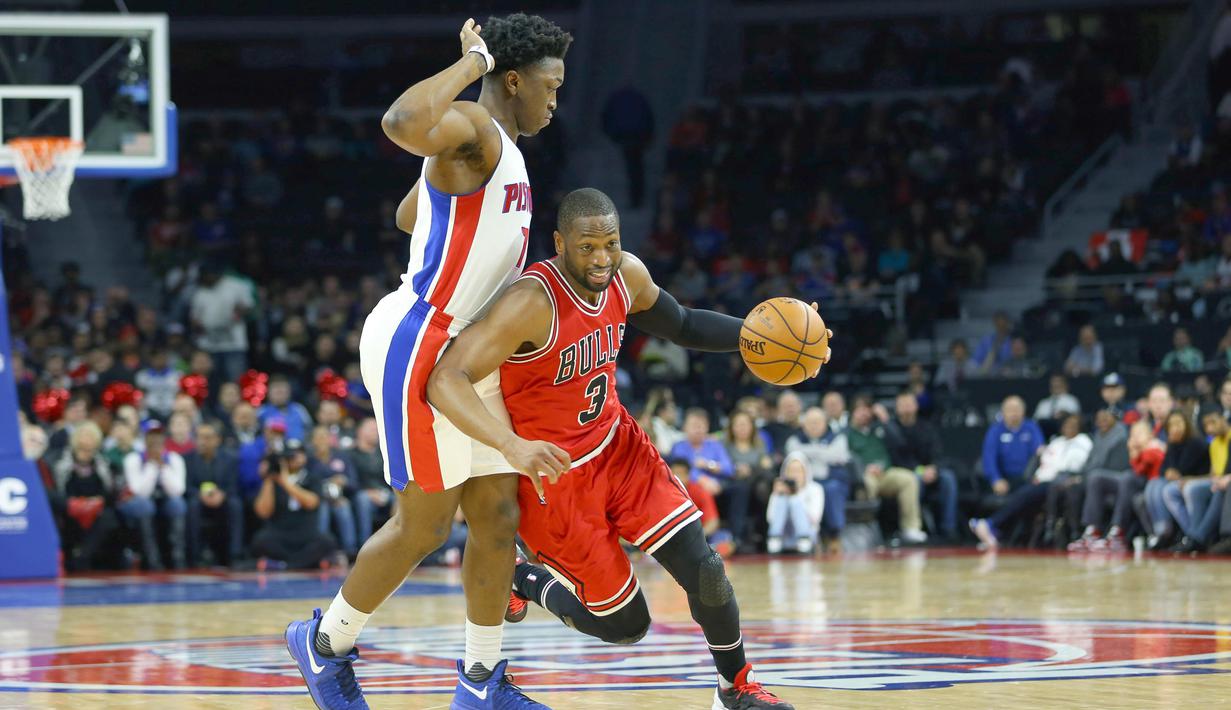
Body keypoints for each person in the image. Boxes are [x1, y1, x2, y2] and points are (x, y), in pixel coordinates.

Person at [427, 188, 827, 708]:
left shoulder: (626, 276)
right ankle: (523, 579)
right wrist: (513, 447)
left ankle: (736, 687)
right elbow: (445, 379)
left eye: (610, 244)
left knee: (704, 568)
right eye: (588, 246)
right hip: (556, 477)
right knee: (626, 625)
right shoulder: (530, 303)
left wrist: (764, 337)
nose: (601, 258)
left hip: (619, 449)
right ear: (560, 243)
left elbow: (681, 323)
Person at [285, 15, 573, 710]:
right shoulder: (474, 121)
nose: (555, 100)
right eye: (550, 86)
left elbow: (409, 216)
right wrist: (469, 61)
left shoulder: (490, 147)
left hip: (471, 349)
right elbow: (401, 119)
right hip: (421, 340)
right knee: (425, 525)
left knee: (496, 512)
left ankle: (481, 682)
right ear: (512, 79)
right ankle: (324, 645)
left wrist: (443, 185)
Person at [971, 413, 1091, 549]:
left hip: (1061, 483)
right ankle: (997, 531)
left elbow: (1072, 465)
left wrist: (1047, 473)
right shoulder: (1057, 442)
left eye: (1073, 425)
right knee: (1022, 492)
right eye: (1066, 425)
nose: (1069, 428)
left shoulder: (1083, 442)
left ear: (1079, 427)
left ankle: (992, 524)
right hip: (1043, 480)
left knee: (1027, 493)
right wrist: (1039, 475)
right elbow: (1045, 461)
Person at [1069, 421, 1164, 552]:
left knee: (1127, 477)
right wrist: (1134, 452)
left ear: (1150, 435)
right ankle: (1092, 531)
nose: (1135, 437)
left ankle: (1118, 532)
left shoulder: (1154, 447)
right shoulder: (1140, 449)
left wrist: (1135, 453)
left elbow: (1140, 470)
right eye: (1133, 434)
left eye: (1139, 433)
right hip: (1131, 480)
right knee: (1096, 477)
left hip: (1150, 484)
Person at [845, 396, 926, 544]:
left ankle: (911, 528)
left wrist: (885, 419)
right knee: (866, 484)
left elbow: (900, 443)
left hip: (887, 473)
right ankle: (868, 531)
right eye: (859, 409)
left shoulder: (879, 428)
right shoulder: (847, 433)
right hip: (865, 475)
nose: (864, 413)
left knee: (909, 478)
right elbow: (846, 457)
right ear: (852, 412)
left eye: (867, 409)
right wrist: (864, 468)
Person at [252, 439, 340, 569]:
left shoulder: (312, 477)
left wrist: (286, 483)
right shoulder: (273, 480)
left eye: (299, 454)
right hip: (280, 533)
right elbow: (263, 512)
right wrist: (269, 480)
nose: (295, 458)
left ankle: (282, 565)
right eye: (291, 455)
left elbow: (312, 503)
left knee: (327, 541)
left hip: (306, 534)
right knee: (260, 540)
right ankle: (306, 563)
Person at [1045, 408, 1128, 546]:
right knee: (1060, 485)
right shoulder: (1099, 436)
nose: (1102, 422)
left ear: (1114, 418)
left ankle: (1082, 530)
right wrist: (1079, 476)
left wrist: (1081, 479)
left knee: (1076, 488)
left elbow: (1115, 467)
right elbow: (1088, 464)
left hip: (1111, 480)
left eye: (1106, 418)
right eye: (1099, 419)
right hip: (1091, 477)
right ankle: (1055, 527)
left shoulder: (1120, 436)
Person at [885, 391, 959, 542]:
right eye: (902, 405)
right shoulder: (891, 429)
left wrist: (934, 468)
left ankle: (948, 528)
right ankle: (916, 528)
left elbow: (938, 453)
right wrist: (920, 471)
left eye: (909, 404)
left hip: (930, 470)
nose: (906, 408)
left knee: (948, 478)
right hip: (908, 472)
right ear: (896, 408)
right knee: (914, 480)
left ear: (916, 406)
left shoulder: (926, 427)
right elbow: (897, 459)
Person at [670, 409, 750, 548]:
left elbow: (729, 468)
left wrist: (709, 465)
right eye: (694, 425)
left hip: (717, 487)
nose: (698, 429)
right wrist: (702, 479)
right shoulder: (679, 447)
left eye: (701, 425)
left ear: (707, 427)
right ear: (685, 428)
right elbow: (680, 470)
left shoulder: (715, 445)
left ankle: (736, 539)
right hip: (691, 490)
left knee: (740, 489)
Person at [52, 422, 121, 572]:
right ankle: (78, 559)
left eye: (91, 437)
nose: (87, 441)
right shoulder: (62, 464)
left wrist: (96, 502)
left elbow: (110, 493)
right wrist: (79, 504)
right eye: (84, 436)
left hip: (97, 510)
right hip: (72, 510)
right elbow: (59, 492)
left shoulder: (104, 464)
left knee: (109, 518)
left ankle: (82, 558)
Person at [120, 421, 188, 570]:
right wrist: (151, 465)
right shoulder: (133, 459)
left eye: (158, 436)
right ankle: (152, 558)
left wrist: (163, 468)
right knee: (144, 505)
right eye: (151, 436)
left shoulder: (174, 458)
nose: (155, 441)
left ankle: (177, 557)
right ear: (144, 438)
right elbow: (140, 492)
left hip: (164, 500)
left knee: (178, 504)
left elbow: (178, 491)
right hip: (139, 503)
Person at [1162, 408, 1226, 552]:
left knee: (1193, 488)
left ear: (1223, 420)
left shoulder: (1198, 443)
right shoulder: (1215, 443)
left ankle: (1198, 538)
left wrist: (1188, 479)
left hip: (1223, 482)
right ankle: (1191, 535)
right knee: (1171, 489)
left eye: (1213, 423)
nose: (1210, 428)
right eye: (1206, 425)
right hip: (1214, 481)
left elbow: (1182, 469)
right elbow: (1212, 474)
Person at [785, 408, 851, 543]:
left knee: (832, 488)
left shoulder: (838, 438)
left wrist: (808, 452)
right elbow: (793, 453)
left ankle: (834, 534)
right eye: (810, 422)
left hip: (832, 480)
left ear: (825, 423)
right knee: (799, 491)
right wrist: (823, 452)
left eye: (817, 422)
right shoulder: (794, 439)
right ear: (803, 424)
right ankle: (800, 536)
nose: (814, 425)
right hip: (804, 484)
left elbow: (838, 456)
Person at [185, 420, 243, 567]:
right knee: (193, 505)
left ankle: (235, 554)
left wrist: (222, 495)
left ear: (217, 440)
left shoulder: (230, 459)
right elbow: (186, 487)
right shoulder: (188, 459)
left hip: (222, 499)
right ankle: (195, 557)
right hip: (199, 500)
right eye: (199, 437)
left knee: (235, 504)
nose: (202, 442)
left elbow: (234, 485)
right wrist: (200, 495)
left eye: (207, 437)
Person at [310, 424, 359, 558]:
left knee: (344, 507)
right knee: (323, 509)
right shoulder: (309, 459)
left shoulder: (341, 456)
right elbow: (307, 482)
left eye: (325, 437)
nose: (322, 441)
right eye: (318, 437)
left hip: (339, 497)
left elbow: (354, 483)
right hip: (318, 499)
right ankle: (321, 551)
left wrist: (344, 481)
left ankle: (350, 551)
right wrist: (326, 484)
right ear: (312, 440)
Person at [983, 396, 1046, 495]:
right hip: (1004, 478)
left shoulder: (1031, 427)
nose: (1014, 413)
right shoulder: (995, 430)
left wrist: (1040, 475)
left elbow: (1040, 450)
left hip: (1028, 478)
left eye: (1017, 409)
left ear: (1023, 411)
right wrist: (995, 479)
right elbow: (989, 457)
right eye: (1010, 410)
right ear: (1003, 412)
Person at [766, 452, 824, 554]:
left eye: (798, 471)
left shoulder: (816, 489)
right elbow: (770, 518)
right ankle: (775, 540)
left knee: (794, 501)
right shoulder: (779, 491)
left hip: (808, 535)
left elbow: (816, 518)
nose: (795, 475)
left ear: (805, 471)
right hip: (784, 537)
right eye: (791, 471)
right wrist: (777, 495)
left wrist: (795, 495)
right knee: (783, 499)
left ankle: (804, 539)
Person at [348, 418, 392, 545]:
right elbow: (350, 480)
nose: (376, 432)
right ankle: (365, 545)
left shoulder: (383, 453)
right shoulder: (351, 454)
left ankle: (400, 545)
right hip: (359, 494)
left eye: (377, 429)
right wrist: (368, 492)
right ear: (360, 431)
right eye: (372, 429)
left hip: (384, 492)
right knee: (363, 499)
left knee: (402, 499)